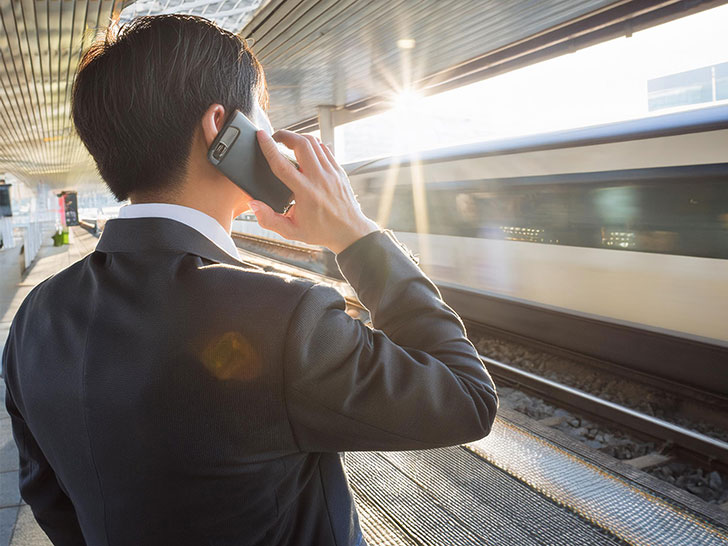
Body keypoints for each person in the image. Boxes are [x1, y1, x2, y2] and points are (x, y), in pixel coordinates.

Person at [2, 14, 498, 546]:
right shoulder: (280, 317)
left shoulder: (35, 317)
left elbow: (46, 493)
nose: (275, 137)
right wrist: (357, 234)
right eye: (263, 115)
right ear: (222, 129)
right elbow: (466, 398)